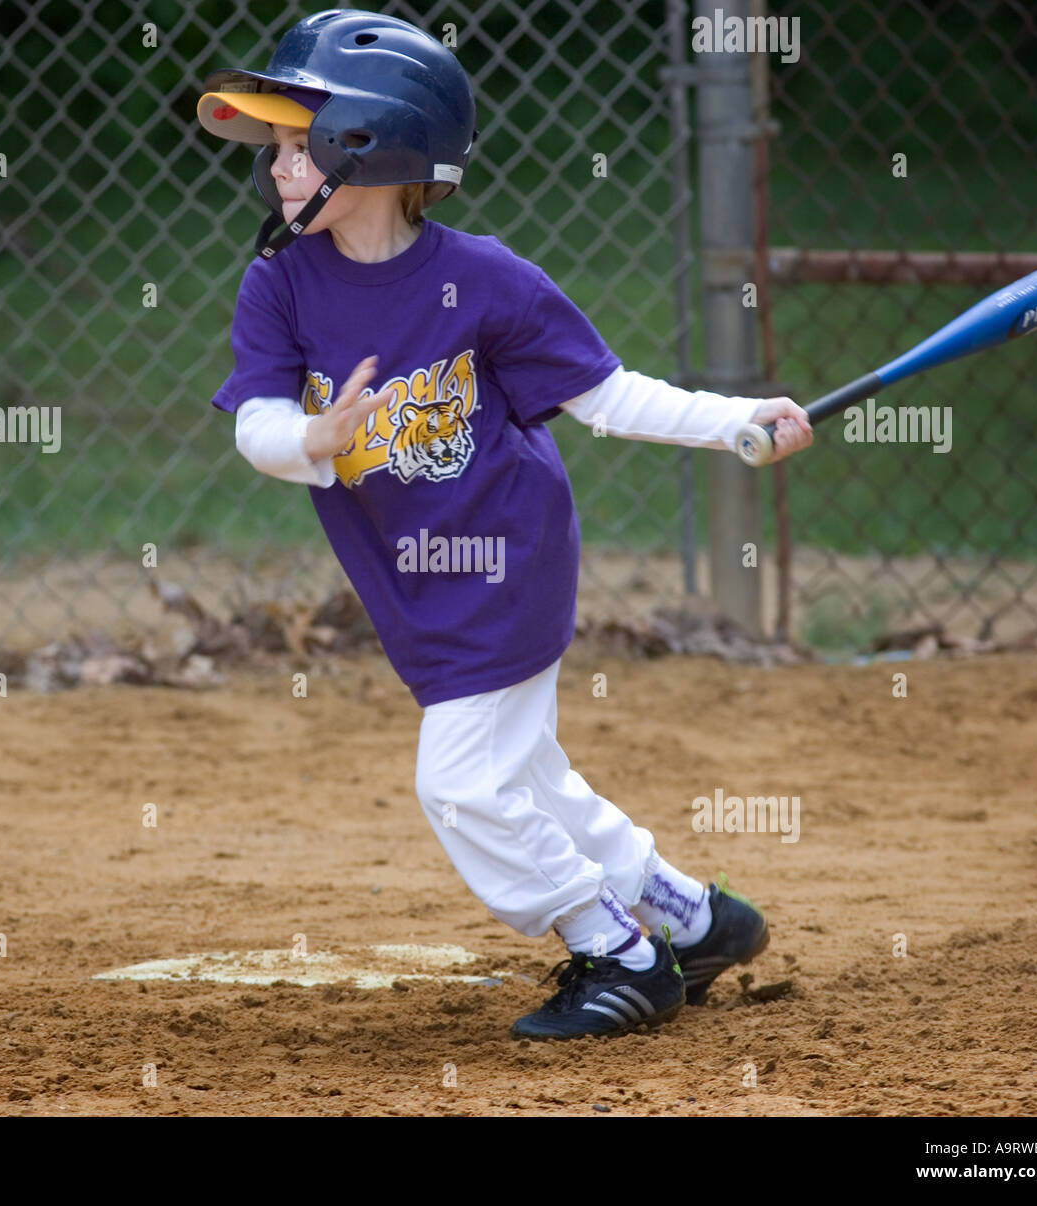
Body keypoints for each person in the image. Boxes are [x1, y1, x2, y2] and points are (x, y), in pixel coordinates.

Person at [198, 9, 813, 1040]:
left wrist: (738, 421)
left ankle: (617, 951)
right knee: (528, 776)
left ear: (373, 144)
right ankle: (691, 920)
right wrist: (312, 437)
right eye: (277, 150)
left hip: (507, 560)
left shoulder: (483, 280)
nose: (279, 170)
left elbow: (608, 397)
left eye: (302, 146)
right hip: (409, 579)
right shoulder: (281, 283)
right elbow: (256, 426)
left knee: (463, 782)